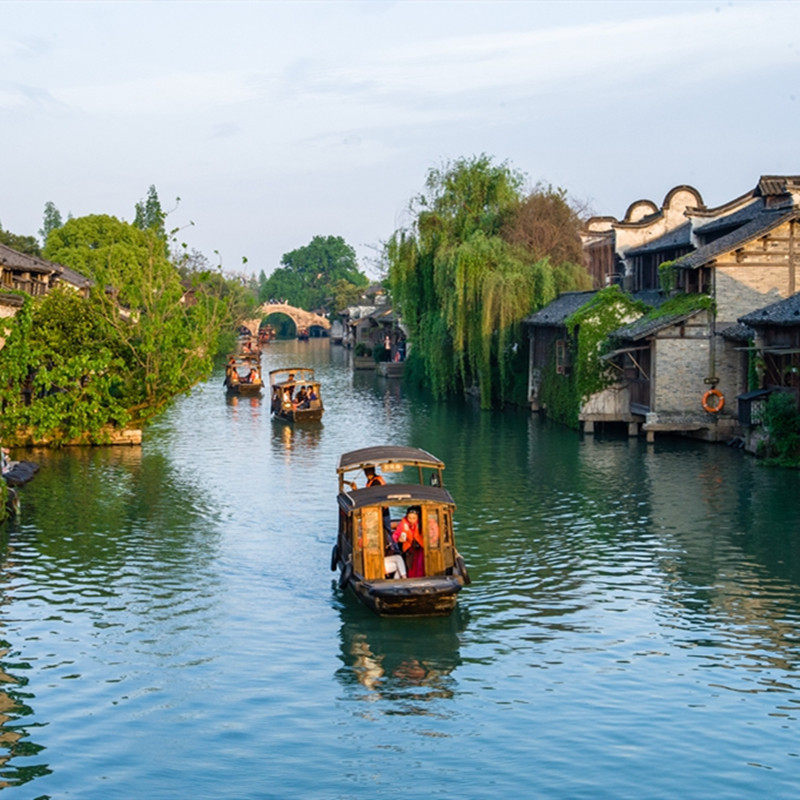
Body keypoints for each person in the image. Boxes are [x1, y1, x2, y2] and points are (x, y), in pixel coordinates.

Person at [393, 507, 425, 578]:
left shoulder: (422, 523)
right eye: (409, 518)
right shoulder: (403, 523)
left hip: (421, 547)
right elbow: (395, 535)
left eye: (414, 518)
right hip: (409, 548)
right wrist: (399, 539)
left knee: (420, 563)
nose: (411, 520)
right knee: (410, 565)